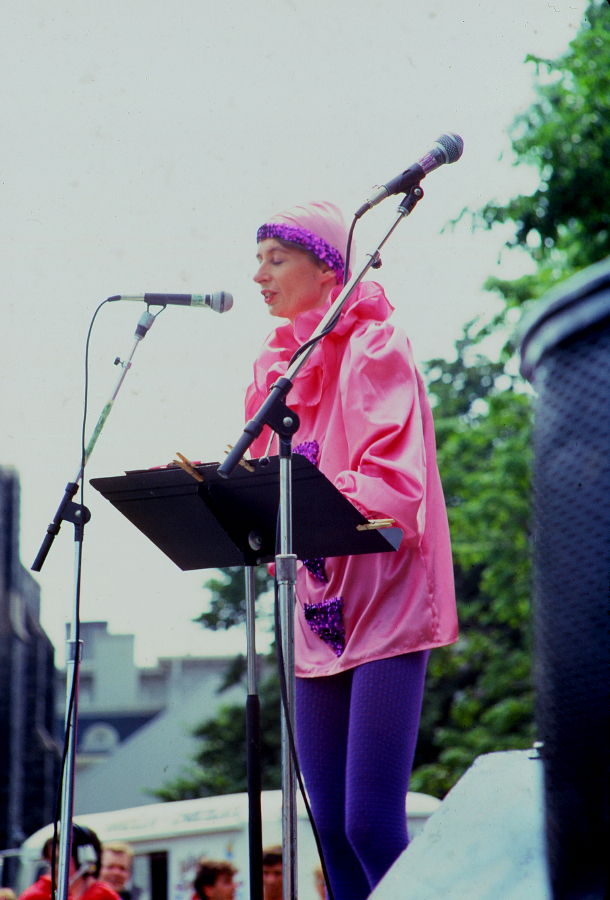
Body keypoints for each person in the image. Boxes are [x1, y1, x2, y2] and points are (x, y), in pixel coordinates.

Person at [246, 201, 458, 900]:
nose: (260, 275)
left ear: (325, 265)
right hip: (318, 606)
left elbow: (392, 485)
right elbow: (254, 474)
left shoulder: (372, 346)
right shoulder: (277, 369)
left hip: (385, 599)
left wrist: (309, 499)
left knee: (370, 821)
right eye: (258, 259)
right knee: (330, 829)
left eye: (276, 258)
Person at [19, 825, 120, 900]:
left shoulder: (103, 896)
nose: (53, 869)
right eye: (50, 862)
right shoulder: (39, 895)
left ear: (85, 859)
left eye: (59, 861)